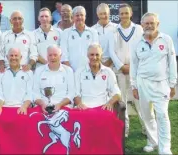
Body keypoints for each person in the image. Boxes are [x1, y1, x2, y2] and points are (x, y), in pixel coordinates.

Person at [130, 12, 177, 154]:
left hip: (161, 84)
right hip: (143, 83)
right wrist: (134, 86)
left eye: (152, 23)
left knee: (162, 115)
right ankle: (152, 141)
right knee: (147, 115)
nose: (149, 26)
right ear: (142, 25)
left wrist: (172, 83)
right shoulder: (136, 43)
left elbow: (172, 62)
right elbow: (134, 65)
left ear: (158, 24)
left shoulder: (166, 40)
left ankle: (165, 148)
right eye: (146, 23)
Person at [110, 3, 144, 137]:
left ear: (131, 14)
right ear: (118, 15)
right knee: (122, 101)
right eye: (121, 13)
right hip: (121, 70)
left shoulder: (138, 29)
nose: (124, 16)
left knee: (139, 100)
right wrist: (121, 66)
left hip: (135, 70)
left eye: (126, 13)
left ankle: (145, 129)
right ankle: (125, 130)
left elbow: (142, 49)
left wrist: (133, 67)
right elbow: (111, 51)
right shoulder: (114, 30)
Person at [74, 43, 121, 110]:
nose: (94, 57)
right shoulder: (79, 72)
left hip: (103, 107)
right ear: (87, 55)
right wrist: (79, 103)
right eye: (92, 55)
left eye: (97, 55)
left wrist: (110, 103)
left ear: (101, 55)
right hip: (84, 108)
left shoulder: (108, 72)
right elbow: (76, 93)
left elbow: (117, 93)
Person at [33, 44, 75, 113]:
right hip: (42, 107)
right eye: (50, 55)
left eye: (55, 55)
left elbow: (71, 93)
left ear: (60, 56)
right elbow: (35, 93)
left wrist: (60, 104)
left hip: (63, 107)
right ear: (47, 57)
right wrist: (42, 104)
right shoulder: (39, 71)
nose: (52, 57)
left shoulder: (68, 70)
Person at [0, 48, 33, 115]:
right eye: (11, 55)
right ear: (7, 57)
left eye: (16, 55)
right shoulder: (0, 73)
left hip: (22, 107)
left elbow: (30, 93)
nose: (13, 58)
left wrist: (24, 106)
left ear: (21, 57)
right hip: (5, 107)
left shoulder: (29, 73)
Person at [61, 6, 98, 71]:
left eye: (81, 15)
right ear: (73, 17)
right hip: (71, 71)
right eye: (77, 15)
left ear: (85, 17)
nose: (79, 17)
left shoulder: (93, 32)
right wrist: (71, 71)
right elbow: (64, 55)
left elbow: (96, 53)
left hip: (89, 71)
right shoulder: (66, 33)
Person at [91, 3, 117, 67]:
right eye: (101, 14)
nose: (103, 16)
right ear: (97, 15)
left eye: (105, 13)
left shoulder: (116, 28)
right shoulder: (92, 30)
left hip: (114, 65)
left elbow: (119, 48)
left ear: (109, 13)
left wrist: (109, 62)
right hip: (97, 65)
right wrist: (99, 63)